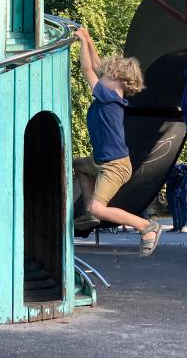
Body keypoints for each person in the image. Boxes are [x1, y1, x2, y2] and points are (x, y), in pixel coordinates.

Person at [74, 27, 162, 256]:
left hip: (114, 167)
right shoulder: (110, 94)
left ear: (117, 80)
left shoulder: (109, 98)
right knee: (77, 166)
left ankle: (146, 227)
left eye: (104, 76)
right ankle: (89, 214)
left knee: (99, 206)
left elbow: (86, 68)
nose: (100, 76)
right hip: (101, 161)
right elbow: (95, 65)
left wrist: (82, 40)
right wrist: (90, 38)